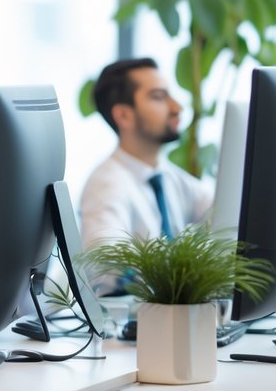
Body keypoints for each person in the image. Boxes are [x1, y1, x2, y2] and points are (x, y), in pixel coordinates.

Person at [80, 58, 213, 250]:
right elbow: (107, 268)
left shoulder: (168, 176)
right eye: (159, 97)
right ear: (124, 115)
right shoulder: (106, 186)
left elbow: (224, 213)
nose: (177, 108)